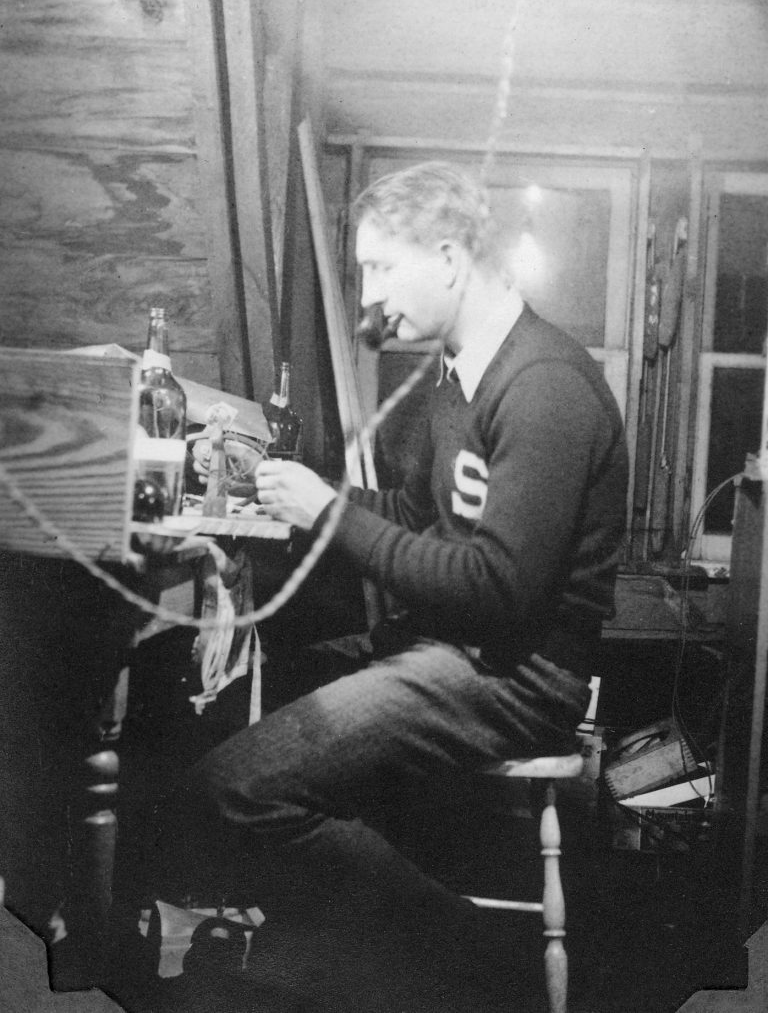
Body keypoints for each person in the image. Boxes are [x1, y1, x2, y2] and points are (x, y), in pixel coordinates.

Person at [158, 162, 628, 1012]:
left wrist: (328, 515)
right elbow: (416, 513)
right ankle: (355, 955)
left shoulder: (545, 386)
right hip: (460, 648)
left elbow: (500, 588)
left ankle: (472, 957)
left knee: (233, 791)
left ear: (448, 259)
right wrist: (288, 481)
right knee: (246, 705)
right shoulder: (458, 375)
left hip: (521, 676)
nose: (371, 297)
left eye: (382, 268)